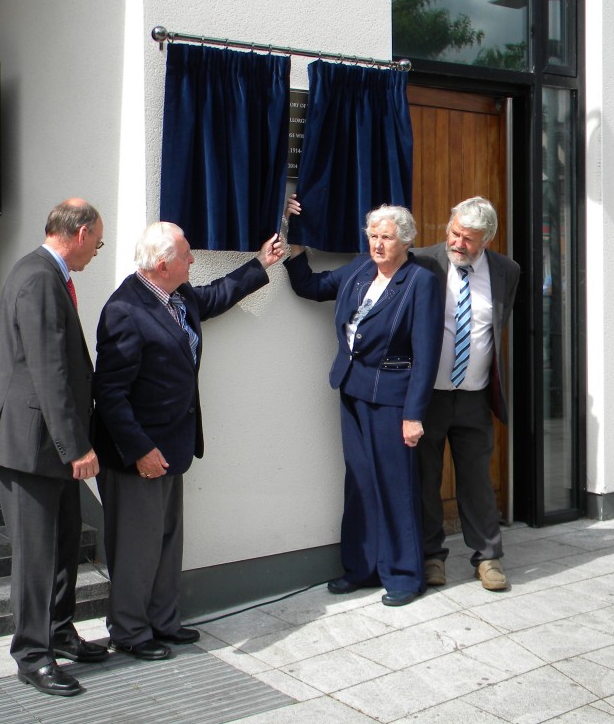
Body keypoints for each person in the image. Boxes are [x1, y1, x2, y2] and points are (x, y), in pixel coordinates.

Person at [93, 222, 284, 660]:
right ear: (162, 265)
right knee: (136, 548)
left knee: (166, 539)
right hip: (137, 453)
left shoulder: (177, 297)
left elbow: (214, 297)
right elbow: (109, 394)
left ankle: (162, 621)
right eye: (186, 255)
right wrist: (140, 450)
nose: (193, 260)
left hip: (173, 445)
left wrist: (260, 264)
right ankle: (130, 632)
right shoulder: (125, 309)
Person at [0, 198, 109, 697]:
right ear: (79, 234)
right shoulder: (38, 278)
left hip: (46, 443)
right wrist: (77, 447)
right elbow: (49, 371)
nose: (98, 250)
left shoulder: (47, 275)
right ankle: (32, 655)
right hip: (30, 446)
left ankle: (58, 632)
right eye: (98, 240)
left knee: (64, 543)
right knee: (35, 556)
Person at [284, 195, 443, 607]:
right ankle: (361, 568)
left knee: (396, 486)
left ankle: (405, 576)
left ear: (406, 241)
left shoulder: (420, 281)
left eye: (386, 237)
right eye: (372, 235)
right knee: (358, 481)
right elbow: (311, 287)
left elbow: (427, 354)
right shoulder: (359, 268)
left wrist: (414, 415)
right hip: (352, 390)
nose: (377, 244)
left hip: (392, 398)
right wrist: (296, 246)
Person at [412, 196, 520, 591]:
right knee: (426, 480)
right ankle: (431, 558)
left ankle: (488, 557)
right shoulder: (422, 261)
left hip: (475, 396)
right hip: (428, 397)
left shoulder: (507, 271)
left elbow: (495, 328)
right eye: (455, 233)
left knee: (476, 480)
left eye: (469, 239)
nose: (459, 243)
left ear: (486, 240)